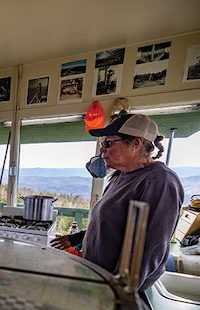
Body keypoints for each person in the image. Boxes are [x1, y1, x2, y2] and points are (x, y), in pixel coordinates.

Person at [51, 114, 184, 292]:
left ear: (136, 143)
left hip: (115, 288)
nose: (102, 150)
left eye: (108, 143)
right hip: (99, 277)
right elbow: (111, 224)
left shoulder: (159, 182)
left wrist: (117, 292)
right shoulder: (121, 176)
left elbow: (147, 248)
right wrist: (75, 239)